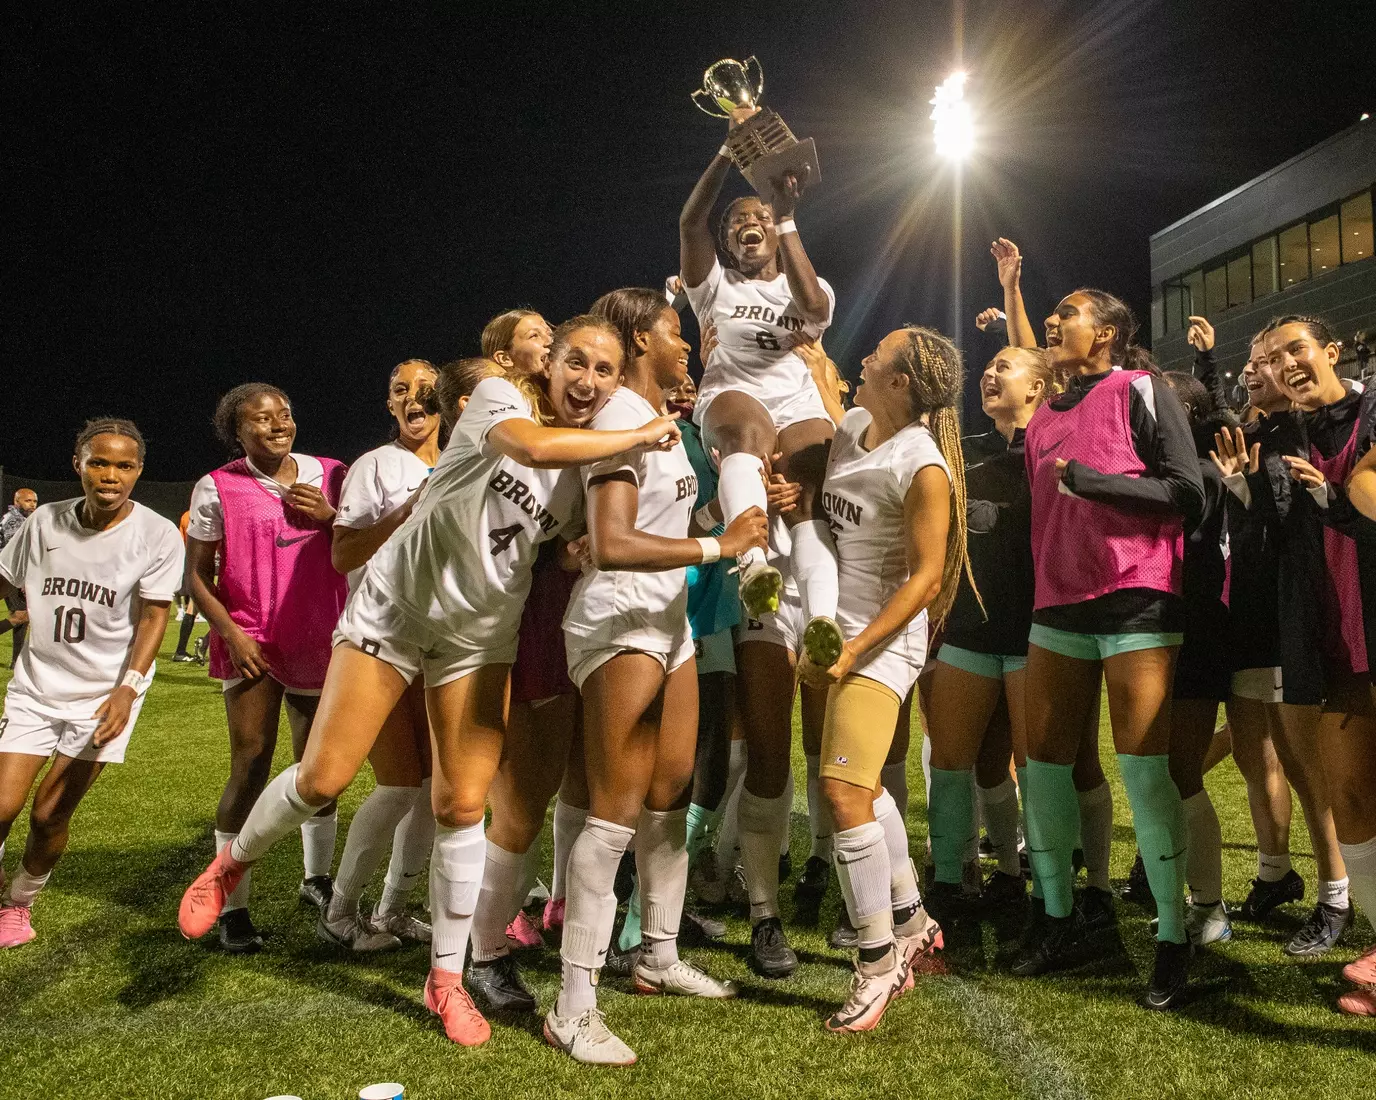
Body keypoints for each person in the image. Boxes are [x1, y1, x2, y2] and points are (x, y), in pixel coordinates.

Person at [179, 322, 684, 1051]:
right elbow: (534, 448)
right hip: (396, 610)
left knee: (461, 805)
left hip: (480, 636)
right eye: (576, 360)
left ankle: (445, 981)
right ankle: (232, 865)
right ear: (546, 367)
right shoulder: (497, 400)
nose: (589, 380)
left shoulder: (589, 469)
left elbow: (562, 547)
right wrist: (637, 437)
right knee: (323, 777)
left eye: (606, 372)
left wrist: (579, 551)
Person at [546, 288, 769, 1066]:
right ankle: (573, 1005)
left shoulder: (663, 424)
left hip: (665, 620)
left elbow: (665, 523)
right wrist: (718, 549)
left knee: (669, 793)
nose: (687, 345)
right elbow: (610, 542)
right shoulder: (617, 422)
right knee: (613, 817)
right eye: (675, 333)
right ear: (641, 339)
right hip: (619, 622)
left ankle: (658, 954)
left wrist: (725, 526)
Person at [1014, 285, 1205, 1012]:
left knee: (1143, 771)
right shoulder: (1041, 418)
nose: (1056, 321)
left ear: (1110, 333)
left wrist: (1097, 484)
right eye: (1053, 311)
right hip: (1055, 606)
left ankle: (1170, 935)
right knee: (1047, 766)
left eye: (1069, 312)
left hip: (1137, 595)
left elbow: (1189, 493)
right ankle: (1057, 919)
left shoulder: (1141, 387)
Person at [795, 325, 964, 1033]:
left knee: (841, 791)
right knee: (855, 783)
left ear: (901, 383)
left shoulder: (922, 463)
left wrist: (856, 646)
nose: (865, 360)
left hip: (881, 641)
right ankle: (913, 918)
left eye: (877, 358)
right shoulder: (858, 423)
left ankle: (877, 961)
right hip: (839, 632)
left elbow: (927, 578)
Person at [0, 421, 183, 948]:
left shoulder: (156, 534)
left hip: (103, 698)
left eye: (124, 466)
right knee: (3, 804)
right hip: (35, 687)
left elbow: (153, 618)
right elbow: (7, 576)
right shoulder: (43, 524)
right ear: (78, 463)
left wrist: (127, 687)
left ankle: (19, 904)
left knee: (49, 813)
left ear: (139, 471)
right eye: (98, 462)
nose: (110, 475)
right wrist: (17, 611)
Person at [184, 383, 349, 953]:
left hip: (318, 635)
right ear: (238, 430)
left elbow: (359, 543)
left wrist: (332, 517)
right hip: (250, 636)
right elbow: (197, 577)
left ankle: (317, 879)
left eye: (285, 413)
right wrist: (229, 632)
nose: (278, 423)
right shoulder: (217, 485)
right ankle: (232, 906)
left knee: (316, 768)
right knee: (251, 762)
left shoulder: (332, 473)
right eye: (261, 418)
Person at [679, 108, 844, 671]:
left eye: (760, 216)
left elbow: (816, 310)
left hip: (794, 397)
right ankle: (753, 568)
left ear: (773, 229)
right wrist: (728, 153)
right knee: (746, 431)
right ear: (728, 239)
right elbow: (689, 223)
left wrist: (789, 217)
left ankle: (823, 617)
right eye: (738, 221)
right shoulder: (715, 286)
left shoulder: (807, 283)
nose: (748, 222)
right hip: (734, 389)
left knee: (810, 493)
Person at [1212, 332, 1351, 952]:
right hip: (1252, 610)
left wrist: (1248, 489)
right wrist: (1239, 488)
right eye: (1253, 365)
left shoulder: (1304, 432)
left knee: (1305, 764)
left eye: (1268, 363)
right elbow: (1253, 526)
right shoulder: (1253, 436)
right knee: (1255, 753)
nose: (1257, 372)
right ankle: (1278, 872)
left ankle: (1337, 894)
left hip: (1295, 611)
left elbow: (1301, 525)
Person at [1263, 316, 1375, 1014]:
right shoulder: (1280, 436)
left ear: (1330, 352)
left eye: (1297, 350)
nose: (1286, 366)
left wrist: (1340, 498)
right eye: (1274, 360)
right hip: (1331, 638)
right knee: (1354, 798)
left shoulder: (1371, 409)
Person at [924, 344, 1056, 916]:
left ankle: (1051, 891)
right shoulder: (962, 450)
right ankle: (949, 883)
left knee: (1038, 768)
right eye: (988, 364)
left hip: (1038, 632)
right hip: (970, 629)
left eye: (1004, 365)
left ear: (1038, 387)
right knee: (949, 761)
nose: (989, 372)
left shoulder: (1055, 445)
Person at [320, 358, 444, 950]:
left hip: (446, 642)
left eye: (425, 390)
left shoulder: (464, 460)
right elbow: (343, 554)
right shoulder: (374, 466)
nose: (414, 400)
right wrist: (408, 509)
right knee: (397, 783)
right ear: (389, 404)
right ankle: (340, 910)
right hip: (385, 636)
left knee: (430, 788)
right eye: (401, 390)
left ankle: (394, 908)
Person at [1160, 370, 1233, 946]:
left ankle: (1210, 906)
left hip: (1195, 633)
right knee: (1159, 770)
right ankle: (1179, 889)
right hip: (1155, 631)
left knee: (1181, 770)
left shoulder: (1201, 477)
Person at [0, 489, 38, 669]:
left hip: (9, 576)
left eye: (35, 501)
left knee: (22, 617)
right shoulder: (14, 520)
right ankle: (17, 662)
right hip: (9, 577)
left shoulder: (20, 519)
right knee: (20, 616)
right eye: (28, 501)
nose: (32, 504)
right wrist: (23, 581)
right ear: (16, 502)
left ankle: (16, 662)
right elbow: (15, 555)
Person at [172, 509, 201, 661]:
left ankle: (181, 650)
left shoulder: (185, 516)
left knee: (193, 607)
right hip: (201, 565)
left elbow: (181, 540)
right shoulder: (206, 512)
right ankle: (203, 645)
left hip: (190, 563)